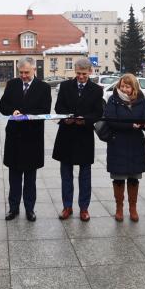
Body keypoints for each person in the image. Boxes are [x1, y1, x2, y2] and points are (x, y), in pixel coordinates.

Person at [0, 56, 51, 222]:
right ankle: (13, 209)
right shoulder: (12, 84)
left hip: (32, 138)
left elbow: (45, 110)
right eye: (21, 72)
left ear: (34, 70)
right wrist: (12, 111)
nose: (23, 75)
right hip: (14, 137)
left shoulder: (43, 87)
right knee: (14, 176)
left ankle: (30, 209)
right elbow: (2, 106)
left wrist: (28, 115)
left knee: (30, 177)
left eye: (26, 72)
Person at [52, 58, 103, 222]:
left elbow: (98, 113)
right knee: (66, 174)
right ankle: (67, 206)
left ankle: (84, 208)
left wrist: (86, 120)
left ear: (90, 72)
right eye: (78, 73)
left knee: (85, 175)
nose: (81, 77)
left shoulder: (96, 90)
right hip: (66, 134)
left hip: (84, 136)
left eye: (84, 74)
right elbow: (58, 108)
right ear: (75, 72)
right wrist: (65, 118)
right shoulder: (66, 86)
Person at [104, 74, 145, 222]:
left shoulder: (141, 101)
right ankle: (119, 208)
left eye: (127, 86)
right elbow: (111, 121)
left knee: (133, 178)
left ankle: (133, 208)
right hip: (118, 144)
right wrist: (130, 125)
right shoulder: (113, 100)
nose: (124, 89)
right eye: (122, 86)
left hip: (135, 144)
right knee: (118, 179)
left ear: (133, 88)